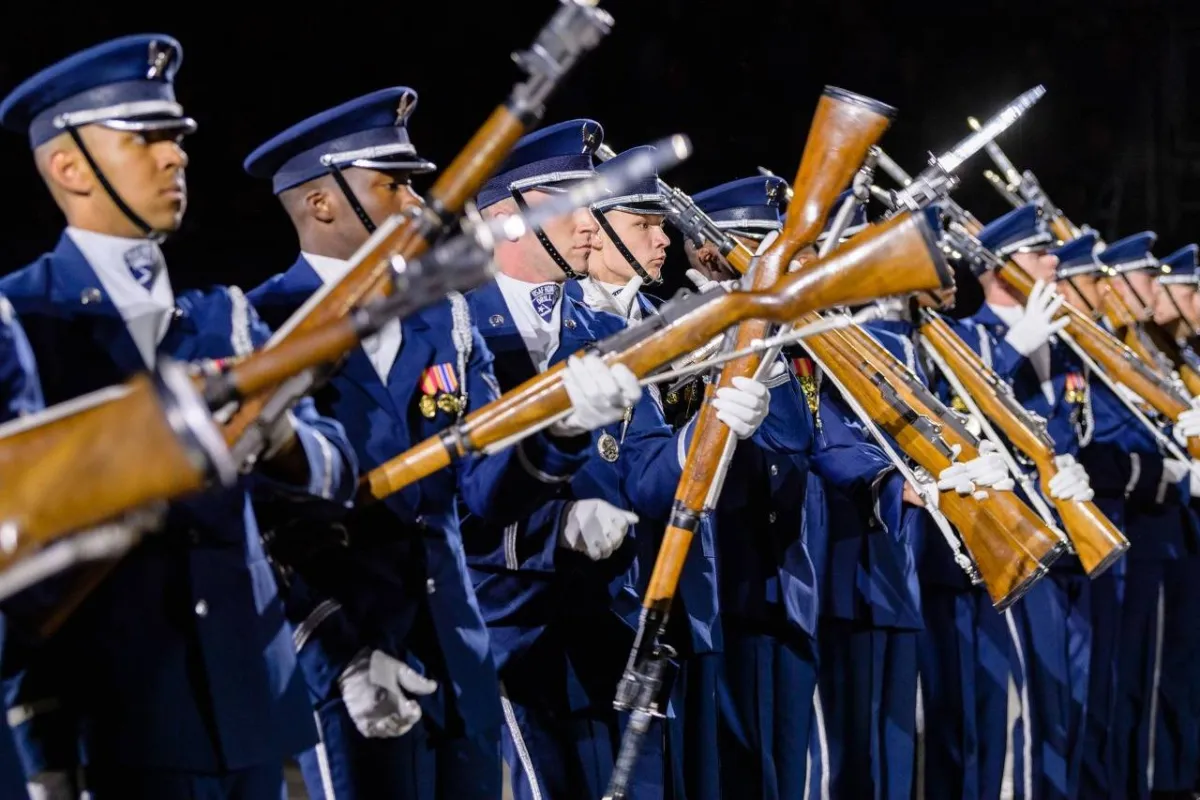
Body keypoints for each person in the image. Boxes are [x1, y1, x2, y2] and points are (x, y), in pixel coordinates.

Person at [243, 87, 631, 799]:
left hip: (458, 649)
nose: (417, 202)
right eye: (391, 185)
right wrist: (339, 654)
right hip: (352, 657)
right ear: (321, 203)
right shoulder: (265, 326)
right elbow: (264, 528)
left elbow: (481, 491)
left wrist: (562, 433)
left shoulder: (441, 318)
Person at [0, 33, 358, 799]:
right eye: (145, 139)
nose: (175, 158)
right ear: (68, 167)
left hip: (250, 699)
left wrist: (283, 439)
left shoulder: (222, 315)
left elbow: (336, 470)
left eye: (178, 139)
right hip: (113, 716)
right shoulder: (23, 317)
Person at [465, 120, 777, 800]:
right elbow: (458, 496)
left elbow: (646, 474)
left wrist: (712, 427)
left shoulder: (603, 329)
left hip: (607, 622)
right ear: (505, 215)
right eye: (569, 204)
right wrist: (556, 527)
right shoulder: (457, 323)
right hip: (508, 630)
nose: (589, 223)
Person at [955, 204, 1099, 800]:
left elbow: (1068, 433)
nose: (1053, 264)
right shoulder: (970, 337)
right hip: (1013, 540)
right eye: (1039, 254)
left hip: (1071, 540)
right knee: (1019, 703)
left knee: (1070, 696)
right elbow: (959, 413)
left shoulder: (1061, 345)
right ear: (1000, 267)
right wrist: (1012, 349)